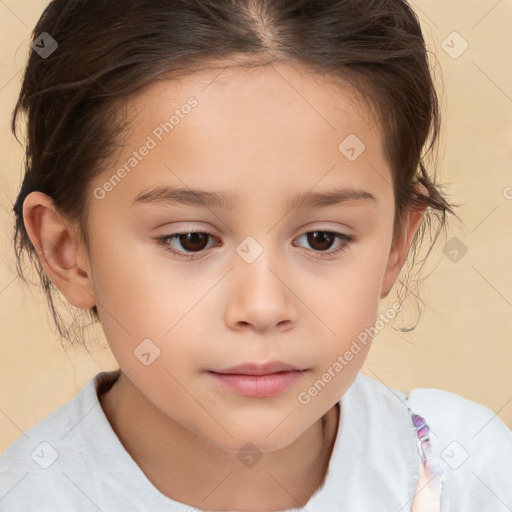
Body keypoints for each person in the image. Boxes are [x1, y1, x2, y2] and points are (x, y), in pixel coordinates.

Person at [1, 1, 510, 511]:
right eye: (191, 240)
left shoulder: (467, 474)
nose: (264, 307)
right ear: (67, 251)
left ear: (397, 243)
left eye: (322, 239)